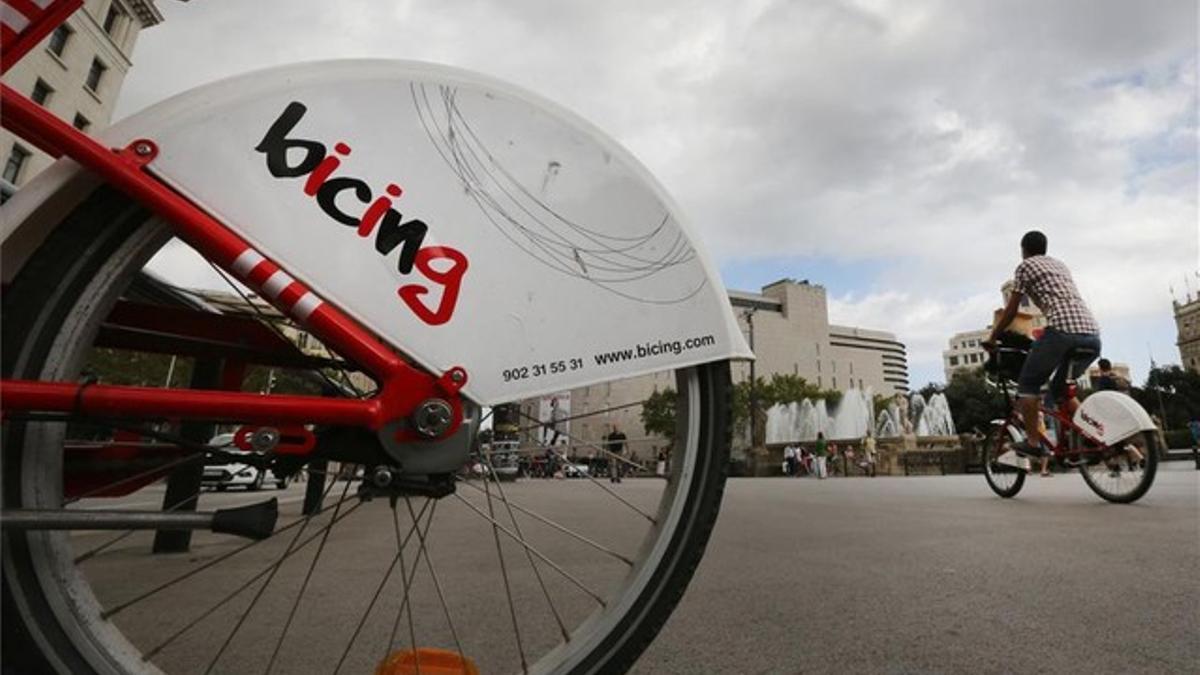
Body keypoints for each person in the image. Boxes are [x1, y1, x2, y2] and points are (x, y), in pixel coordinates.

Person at [986, 230, 1100, 460]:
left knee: (1027, 386)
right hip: (1092, 335)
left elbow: (1011, 309)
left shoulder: (1025, 266)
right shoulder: (1060, 266)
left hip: (1061, 332)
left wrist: (993, 336)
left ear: (1023, 250)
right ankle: (1092, 437)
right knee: (1062, 390)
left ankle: (1033, 442)